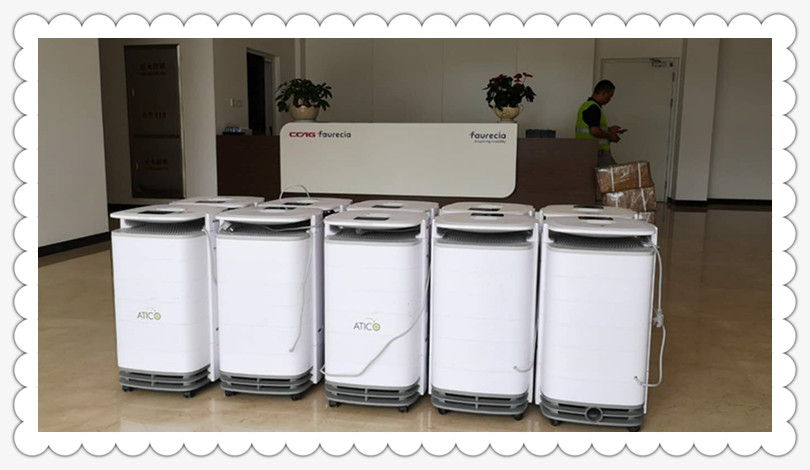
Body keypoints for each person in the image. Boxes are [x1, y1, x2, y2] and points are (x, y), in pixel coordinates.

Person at [575, 80, 627, 167]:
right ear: (603, 93)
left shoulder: (587, 105)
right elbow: (594, 131)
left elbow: (591, 126)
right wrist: (610, 136)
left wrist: (609, 129)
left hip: (588, 151)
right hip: (597, 152)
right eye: (609, 96)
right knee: (613, 174)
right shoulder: (593, 108)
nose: (609, 100)